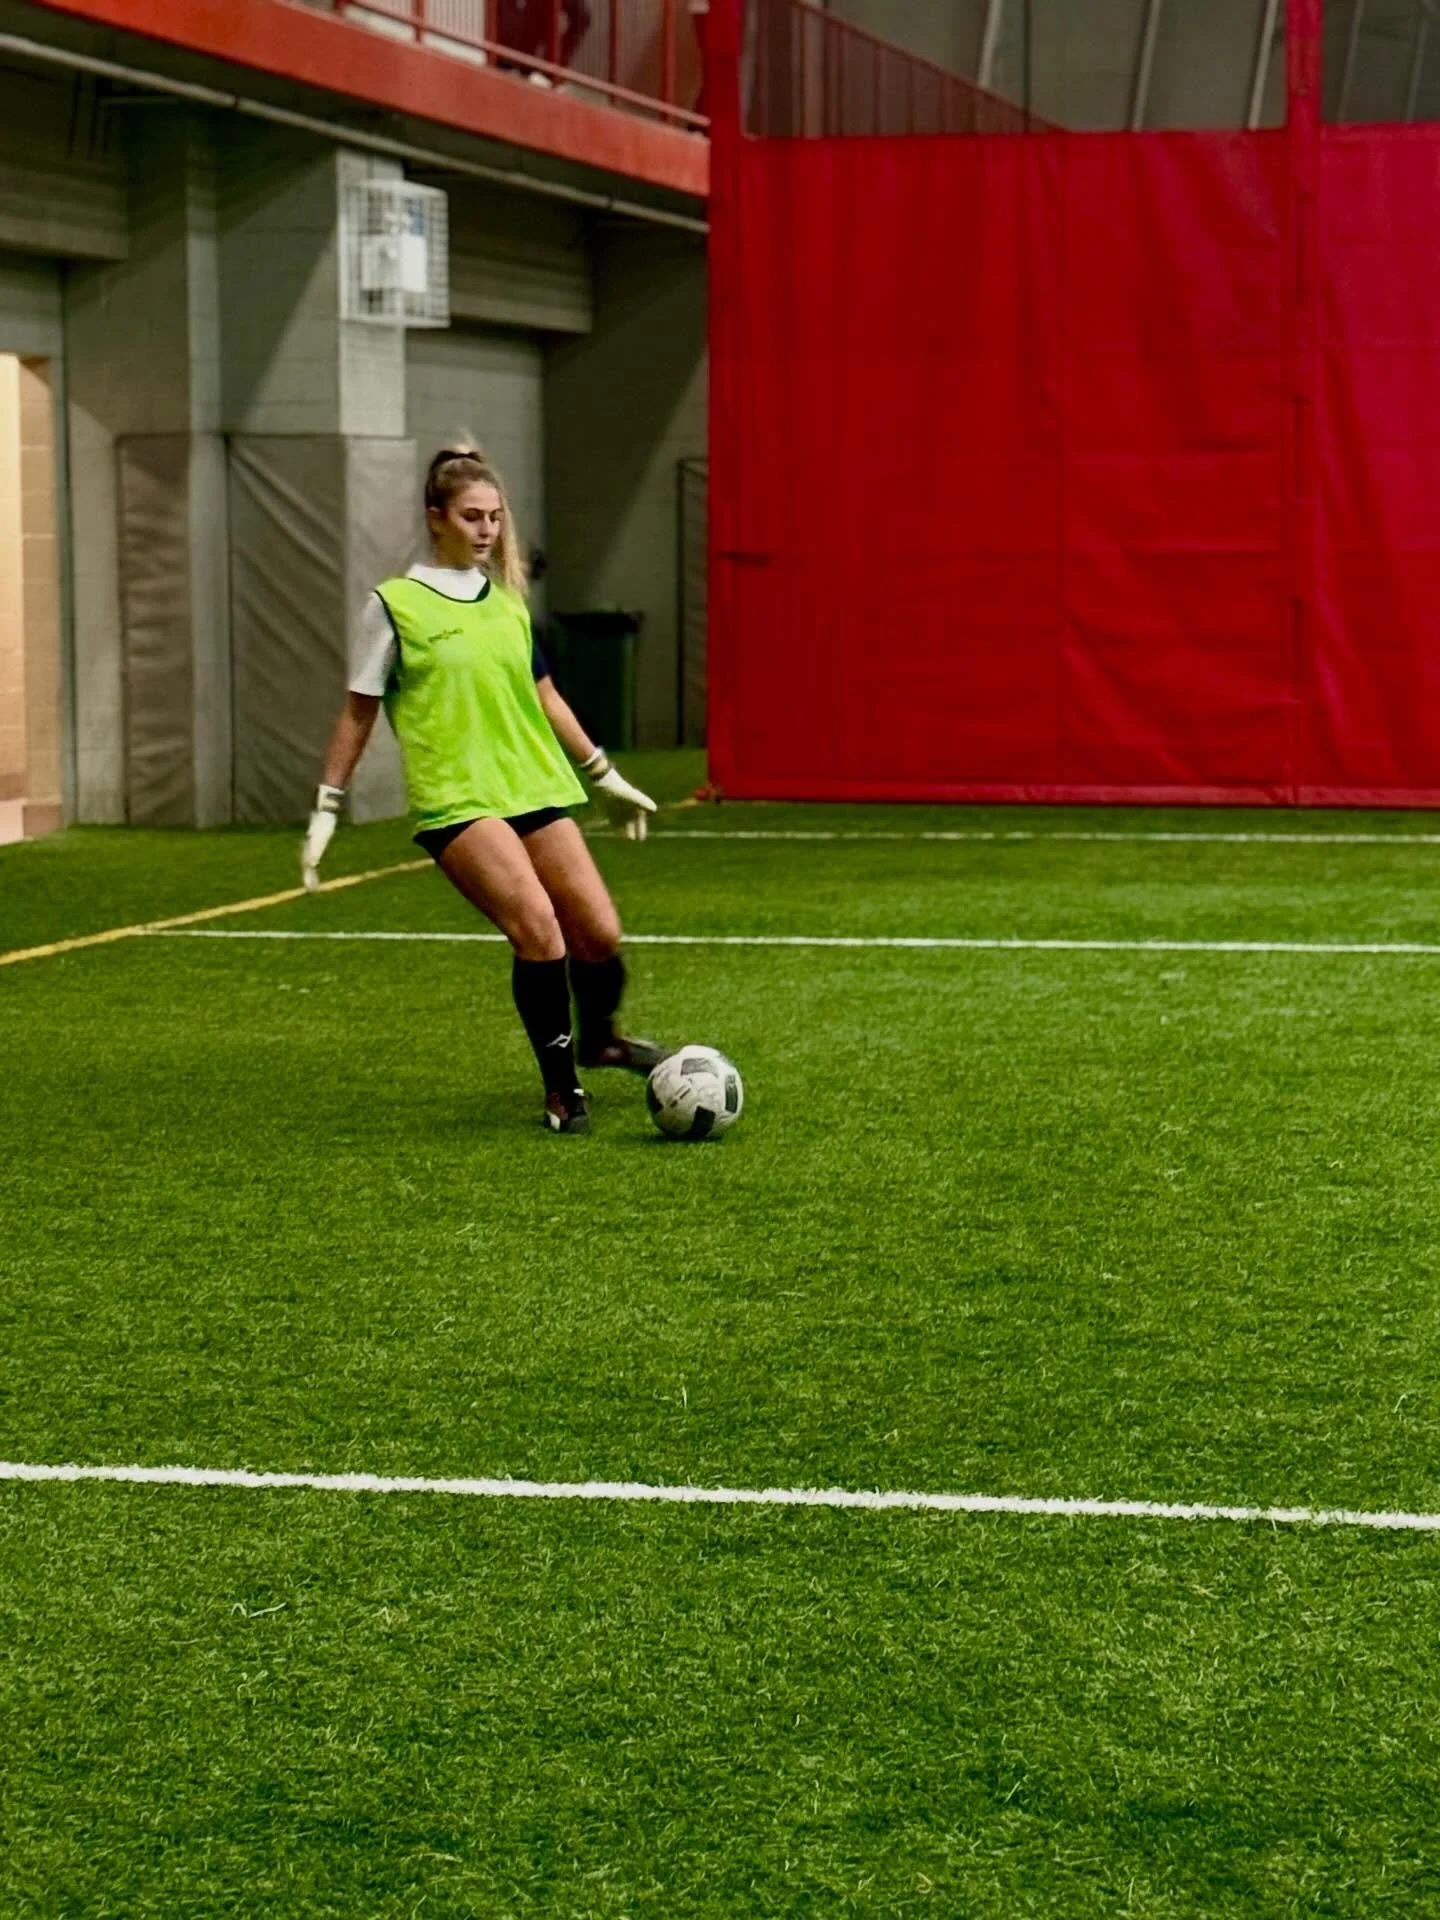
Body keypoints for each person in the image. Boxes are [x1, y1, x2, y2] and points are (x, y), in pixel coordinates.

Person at [303, 446, 659, 1135]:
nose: (487, 529)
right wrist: (327, 804)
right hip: (458, 796)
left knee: (599, 932)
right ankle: (563, 1091)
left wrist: (604, 773)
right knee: (538, 930)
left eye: (495, 517)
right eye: (472, 516)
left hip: (531, 784)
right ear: (435, 517)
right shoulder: (394, 606)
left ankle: (602, 1039)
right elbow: (358, 709)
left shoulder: (508, 605)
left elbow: (545, 696)